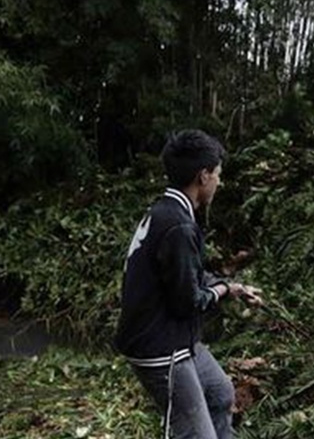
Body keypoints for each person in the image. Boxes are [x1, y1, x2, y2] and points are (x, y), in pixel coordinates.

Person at [115, 129, 263, 439]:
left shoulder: (168, 211)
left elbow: (187, 277)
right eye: (218, 175)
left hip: (174, 340)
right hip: (161, 350)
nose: (219, 182)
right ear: (203, 176)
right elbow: (188, 302)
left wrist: (231, 287)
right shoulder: (178, 225)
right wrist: (221, 290)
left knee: (220, 393)